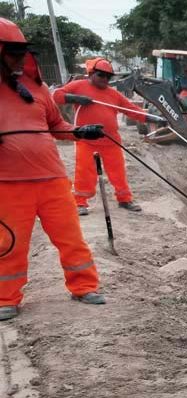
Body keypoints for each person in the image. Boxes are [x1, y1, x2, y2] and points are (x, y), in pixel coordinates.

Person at [0, 18, 107, 321]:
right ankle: (6, 297)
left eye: (22, 53)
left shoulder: (38, 89)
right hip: (8, 184)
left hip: (52, 179)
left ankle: (84, 286)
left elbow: (56, 126)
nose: (20, 59)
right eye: (13, 53)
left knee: (71, 237)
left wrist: (79, 131)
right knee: (9, 243)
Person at [52, 58, 148, 216]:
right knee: (84, 172)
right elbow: (56, 96)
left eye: (108, 76)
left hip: (111, 140)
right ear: (91, 74)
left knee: (118, 172)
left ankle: (124, 199)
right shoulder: (78, 86)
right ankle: (80, 203)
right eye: (101, 75)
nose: (104, 79)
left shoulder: (113, 94)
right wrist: (76, 98)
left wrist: (152, 118)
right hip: (86, 140)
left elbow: (131, 110)